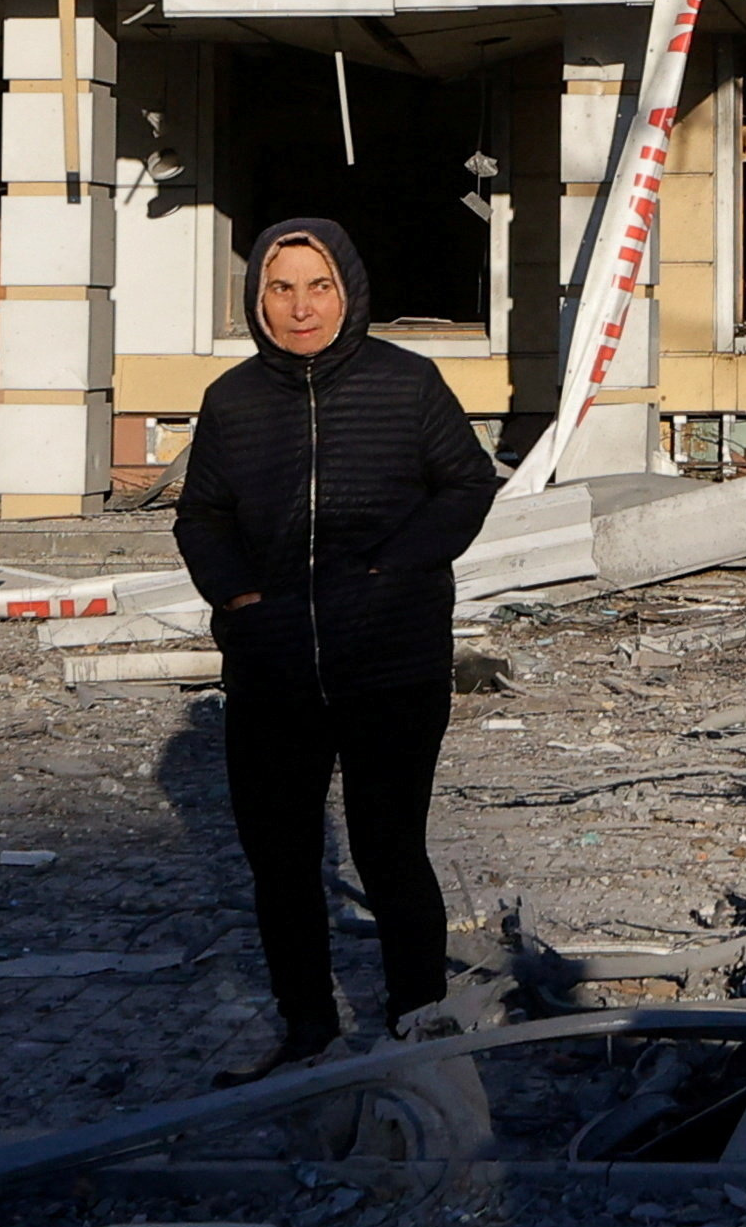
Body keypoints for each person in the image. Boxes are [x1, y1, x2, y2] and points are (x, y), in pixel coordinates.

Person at [171, 217, 505, 1077]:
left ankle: (416, 1029)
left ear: (348, 290)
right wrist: (239, 597)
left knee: (390, 849)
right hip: (271, 667)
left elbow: (467, 481)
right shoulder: (234, 401)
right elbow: (201, 514)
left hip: (392, 662)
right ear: (257, 301)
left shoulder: (408, 384)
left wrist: (398, 566)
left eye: (317, 285)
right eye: (280, 288)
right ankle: (307, 1029)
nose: (300, 306)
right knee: (280, 862)